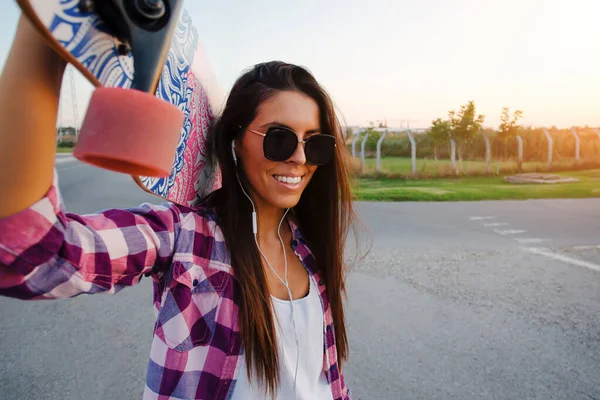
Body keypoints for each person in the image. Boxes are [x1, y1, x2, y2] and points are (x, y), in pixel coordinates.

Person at [0, 15, 360, 400]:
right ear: (236, 141)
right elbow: (31, 255)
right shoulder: (187, 236)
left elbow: (327, 382)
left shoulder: (309, 248)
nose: (300, 159)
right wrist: (46, 30)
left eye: (316, 143)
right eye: (279, 138)